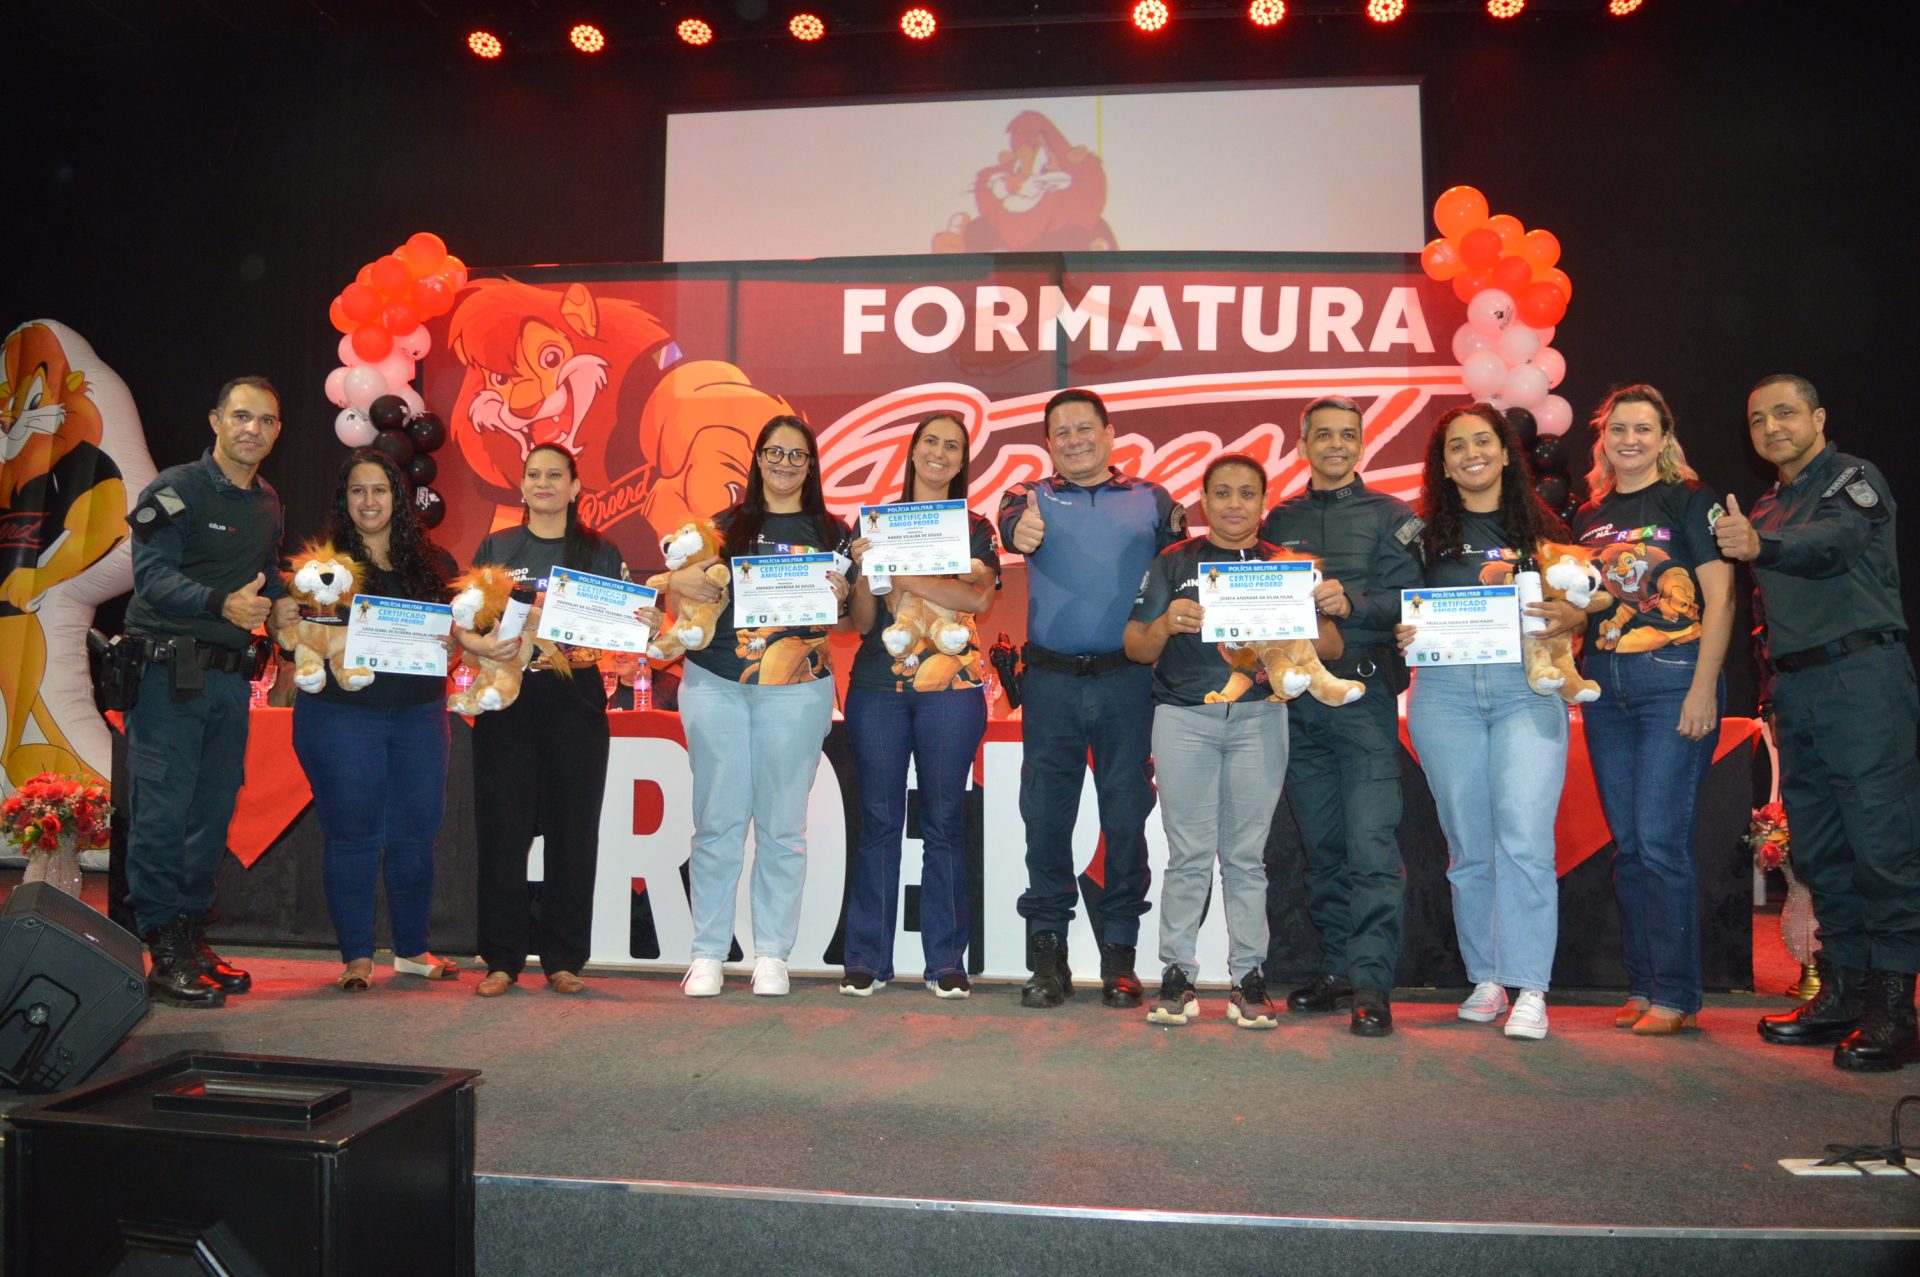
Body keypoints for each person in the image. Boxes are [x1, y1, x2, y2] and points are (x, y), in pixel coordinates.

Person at [1716, 374, 1919, 1072]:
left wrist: (1761, 547)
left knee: (1882, 844)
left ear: (1819, 417)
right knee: (1822, 849)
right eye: (1758, 419)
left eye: (1786, 413)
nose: (1772, 427)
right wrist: (1772, 690)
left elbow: (1833, 546)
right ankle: (1842, 992)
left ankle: (1895, 1007)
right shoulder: (1766, 504)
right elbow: (1766, 611)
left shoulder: (1852, 480)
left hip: (1862, 679)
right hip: (1797, 688)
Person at [1126, 454, 1342, 1028]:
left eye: (1247, 493)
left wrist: (1319, 606)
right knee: (1188, 855)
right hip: (1183, 719)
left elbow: (1331, 649)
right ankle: (1177, 974)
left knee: (1247, 857)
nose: (1234, 504)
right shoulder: (1174, 562)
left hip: (1260, 720)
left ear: (1263, 501)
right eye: (1222, 493)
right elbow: (1136, 647)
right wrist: (1165, 623)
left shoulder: (1287, 567)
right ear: (1203, 500)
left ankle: (1249, 977)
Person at [997, 389, 1186, 1008]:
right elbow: (1010, 525)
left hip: (1129, 683)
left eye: (1085, 428)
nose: (1074, 440)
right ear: (1048, 444)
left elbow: (1189, 561)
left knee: (1126, 819)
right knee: (1045, 818)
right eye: (1061, 432)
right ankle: (1047, 956)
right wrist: (1019, 530)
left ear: (1110, 433)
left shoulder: (1154, 499)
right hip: (1049, 682)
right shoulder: (1027, 496)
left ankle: (1119, 955)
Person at [1396, 404, 1572, 1041]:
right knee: (1469, 844)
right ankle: (1488, 977)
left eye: (1483, 442)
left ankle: (1531, 986)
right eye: (1457, 446)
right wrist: (1401, 630)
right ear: (1442, 464)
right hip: (1444, 694)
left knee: (1524, 837)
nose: (1471, 453)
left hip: (1525, 688)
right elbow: (1394, 605)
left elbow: (1578, 598)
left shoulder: (1543, 524)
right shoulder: (1421, 533)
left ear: (1505, 453)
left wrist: (1573, 615)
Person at [669, 415, 853, 998]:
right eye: (774, 452)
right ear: (757, 459)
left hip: (798, 687)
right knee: (716, 822)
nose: (784, 464)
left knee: (783, 826)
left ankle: (772, 953)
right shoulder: (722, 527)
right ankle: (708, 952)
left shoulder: (833, 532)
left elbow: (848, 621)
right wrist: (679, 584)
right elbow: (677, 587)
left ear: (811, 465)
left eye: (796, 455)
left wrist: (842, 599)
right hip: (716, 681)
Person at [122, 376, 291, 1007]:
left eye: (266, 421)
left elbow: (266, 575)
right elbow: (151, 577)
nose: (253, 429)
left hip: (228, 680)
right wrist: (222, 604)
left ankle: (191, 936)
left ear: (277, 432)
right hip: (166, 676)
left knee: (211, 814)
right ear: (216, 421)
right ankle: (162, 946)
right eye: (242, 416)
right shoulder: (174, 489)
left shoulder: (268, 501)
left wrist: (285, 605)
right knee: (162, 815)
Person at [1570, 385, 1732, 1036]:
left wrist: (1704, 687)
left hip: (1674, 679)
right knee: (1632, 847)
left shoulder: (1690, 499)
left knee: (1662, 843)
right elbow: (1582, 604)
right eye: (1618, 429)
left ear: (1665, 438)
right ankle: (1643, 985)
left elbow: (1721, 596)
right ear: (1603, 440)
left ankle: (1676, 994)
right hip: (1604, 684)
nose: (1630, 439)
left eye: (1643, 428)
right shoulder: (1589, 515)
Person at [1261, 396, 1425, 1037]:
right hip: (1298, 701)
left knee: (1371, 845)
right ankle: (1336, 971)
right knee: (1322, 845)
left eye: (1347, 435)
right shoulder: (1280, 517)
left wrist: (1352, 602)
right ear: (1303, 444)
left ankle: (1372, 984)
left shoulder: (1392, 516)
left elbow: (1410, 597)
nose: (1335, 445)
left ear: (1362, 444)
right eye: (1323, 435)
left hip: (1364, 695)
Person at [463, 443, 651, 997]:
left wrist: (640, 622)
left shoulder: (600, 551)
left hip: (576, 697)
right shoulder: (497, 547)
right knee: (502, 831)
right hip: (508, 697)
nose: (542, 483)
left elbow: (625, 627)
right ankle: (500, 959)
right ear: (522, 486)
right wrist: (478, 644)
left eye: (554, 475)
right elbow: (467, 622)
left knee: (574, 831)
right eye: (533, 475)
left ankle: (564, 959)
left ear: (574, 487)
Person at [288, 450, 461, 992]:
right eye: (357, 491)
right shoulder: (324, 569)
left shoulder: (437, 565)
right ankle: (357, 956)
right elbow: (294, 630)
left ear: (398, 499)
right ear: (343, 500)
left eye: (380, 490)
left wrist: (452, 649)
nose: (369, 501)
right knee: (352, 834)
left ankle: (411, 950)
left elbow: (455, 642)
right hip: (340, 716)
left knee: (418, 833)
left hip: (420, 715)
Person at [841, 412, 999, 999]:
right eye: (930, 441)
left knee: (945, 822)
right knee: (879, 822)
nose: (939, 452)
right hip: (878, 689)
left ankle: (945, 961)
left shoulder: (975, 527)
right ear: (912, 451)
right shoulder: (873, 524)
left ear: (961, 461)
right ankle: (867, 958)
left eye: (952, 446)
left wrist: (903, 576)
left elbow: (977, 599)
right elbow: (862, 622)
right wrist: (868, 572)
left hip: (952, 689)